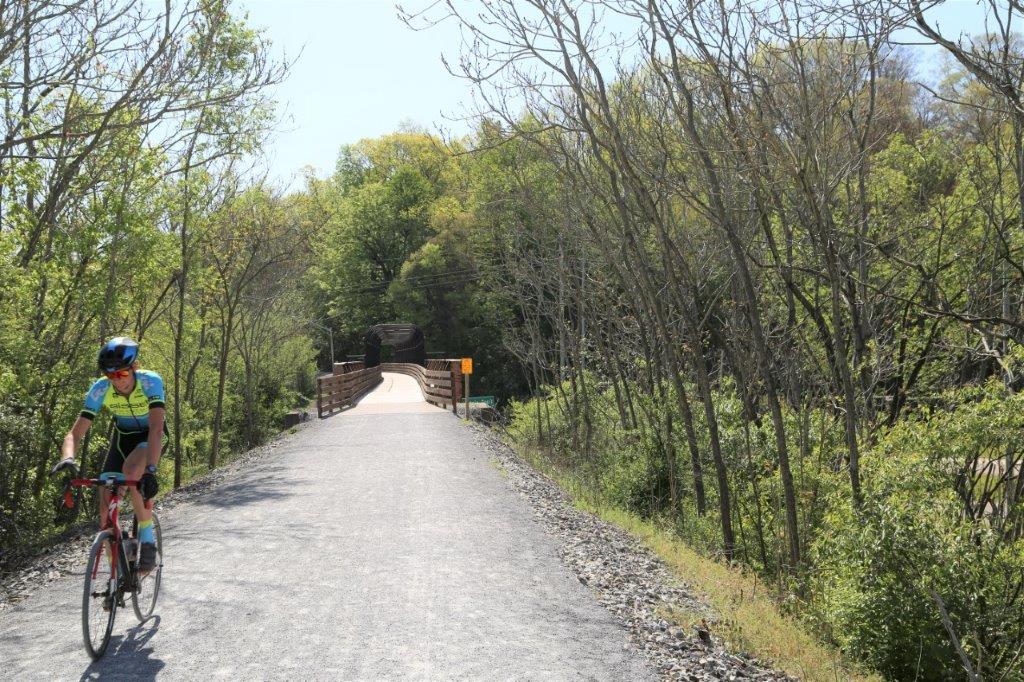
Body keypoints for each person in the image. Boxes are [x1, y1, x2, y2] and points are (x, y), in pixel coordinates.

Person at [51, 337, 167, 575]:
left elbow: (156, 428)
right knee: (105, 511)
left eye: (122, 374)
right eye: (110, 376)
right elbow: (75, 433)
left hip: (149, 438)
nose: (117, 381)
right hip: (122, 440)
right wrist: (68, 457)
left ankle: (146, 536)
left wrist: (152, 470)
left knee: (133, 472)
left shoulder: (150, 381)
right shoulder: (100, 388)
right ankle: (117, 575)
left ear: (134, 367)